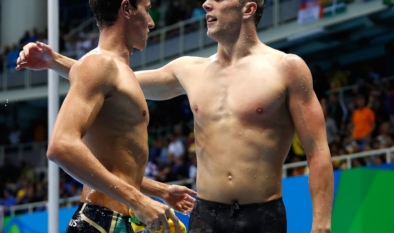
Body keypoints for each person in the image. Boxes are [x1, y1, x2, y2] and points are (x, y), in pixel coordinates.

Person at [17, 0, 333, 232]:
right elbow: (114, 79)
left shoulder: (287, 69)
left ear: (248, 8)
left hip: (263, 215)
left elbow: (317, 151)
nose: (206, 3)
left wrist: (321, 225)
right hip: (205, 214)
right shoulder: (188, 70)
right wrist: (55, 61)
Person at [17, 0, 197, 232]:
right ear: (126, 9)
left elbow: (113, 166)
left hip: (112, 219)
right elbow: (61, 146)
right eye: (147, 8)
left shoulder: (115, 70)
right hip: (100, 221)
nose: (151, 21)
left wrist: (160, 191)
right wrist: (139, 200)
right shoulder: (100, 64)